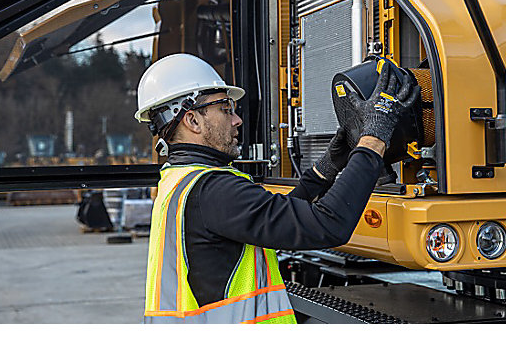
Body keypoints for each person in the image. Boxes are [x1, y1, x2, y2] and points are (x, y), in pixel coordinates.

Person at [135, 53, 419, 324]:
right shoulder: (215, 190)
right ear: (193, 120)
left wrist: (326, 168)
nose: (237, 120)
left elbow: (275, 223)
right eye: (225, 109)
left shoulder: (180, 181)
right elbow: (327, 224)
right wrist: (373, 140)